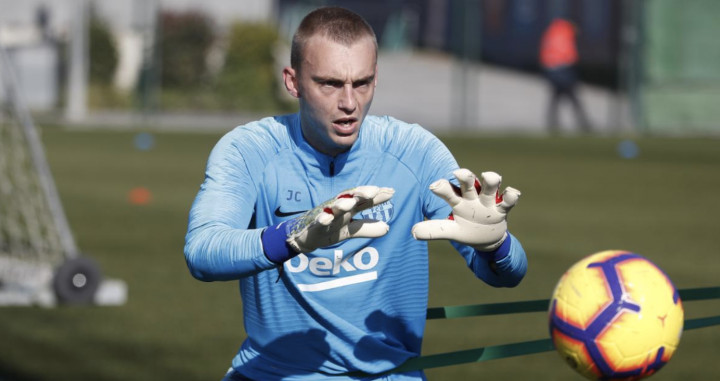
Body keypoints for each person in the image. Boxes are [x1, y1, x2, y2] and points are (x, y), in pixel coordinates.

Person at [184, 6, 527, 381]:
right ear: (293, 81)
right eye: (329, 84)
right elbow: (203, 252)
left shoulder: (414, 151)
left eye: (361, 83)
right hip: (272, 373)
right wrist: (294, 237)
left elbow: (507, 275)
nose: (349, 102)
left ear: (375, 79)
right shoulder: (250, 150)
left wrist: (497, 246)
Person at [539, 17, 592, 133]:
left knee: (556, 98)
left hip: (551, 69)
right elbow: (569, 54)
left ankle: (553, 125)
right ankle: (584, 125)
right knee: (573, 98)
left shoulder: (553, 29)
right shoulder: (566, 32)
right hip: (563, 69)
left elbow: (545, 50)